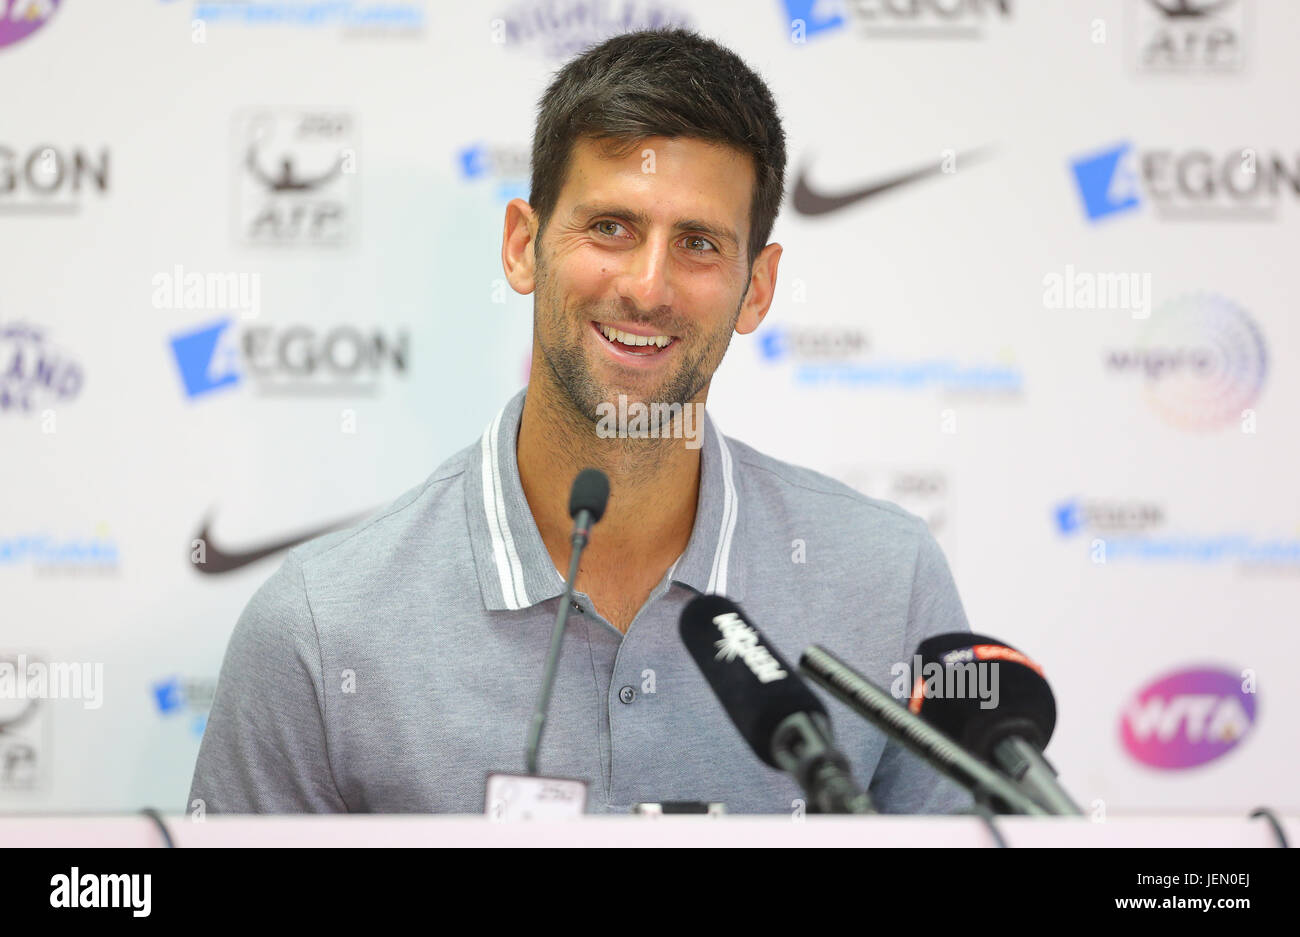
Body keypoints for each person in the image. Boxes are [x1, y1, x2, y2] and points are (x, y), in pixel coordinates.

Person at [188, 27, 974, 815]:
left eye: (698, 243)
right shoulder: (322, 627)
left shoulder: (888, 582)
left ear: (758, 288)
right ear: (523, 246)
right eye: (611, 228)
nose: (648, 285)